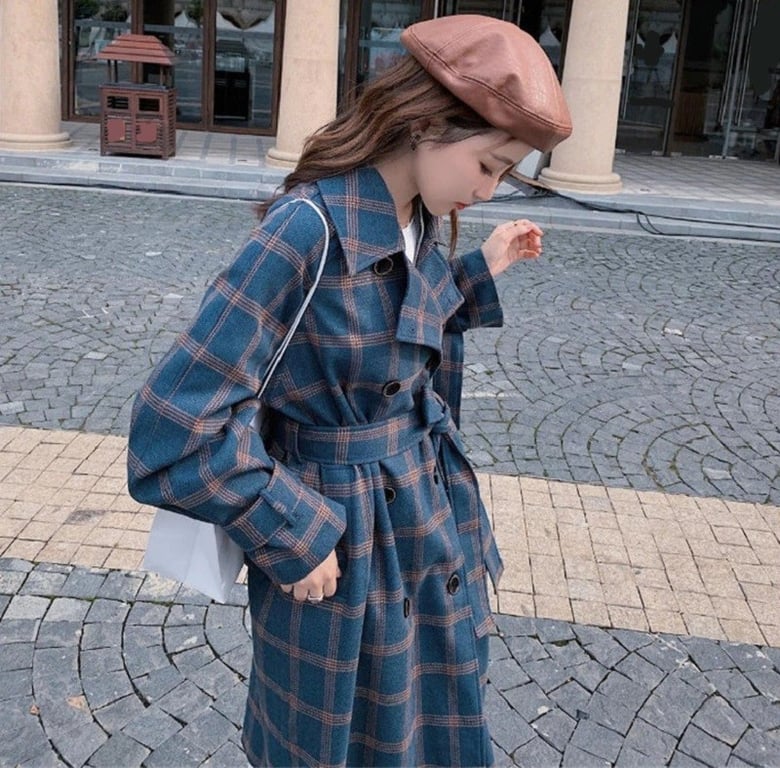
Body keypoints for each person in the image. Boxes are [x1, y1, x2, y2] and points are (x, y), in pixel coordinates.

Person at [127, 13, 571, 768]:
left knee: (431, 719)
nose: (489, 190)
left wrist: (481, 267)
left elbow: (385, 339)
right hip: (342, 545)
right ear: (426, 125)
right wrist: (290, 533)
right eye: (489, 164)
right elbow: (172, 426)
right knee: (341, 739)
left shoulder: (415, 215)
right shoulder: (304, 231)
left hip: (425, 517)